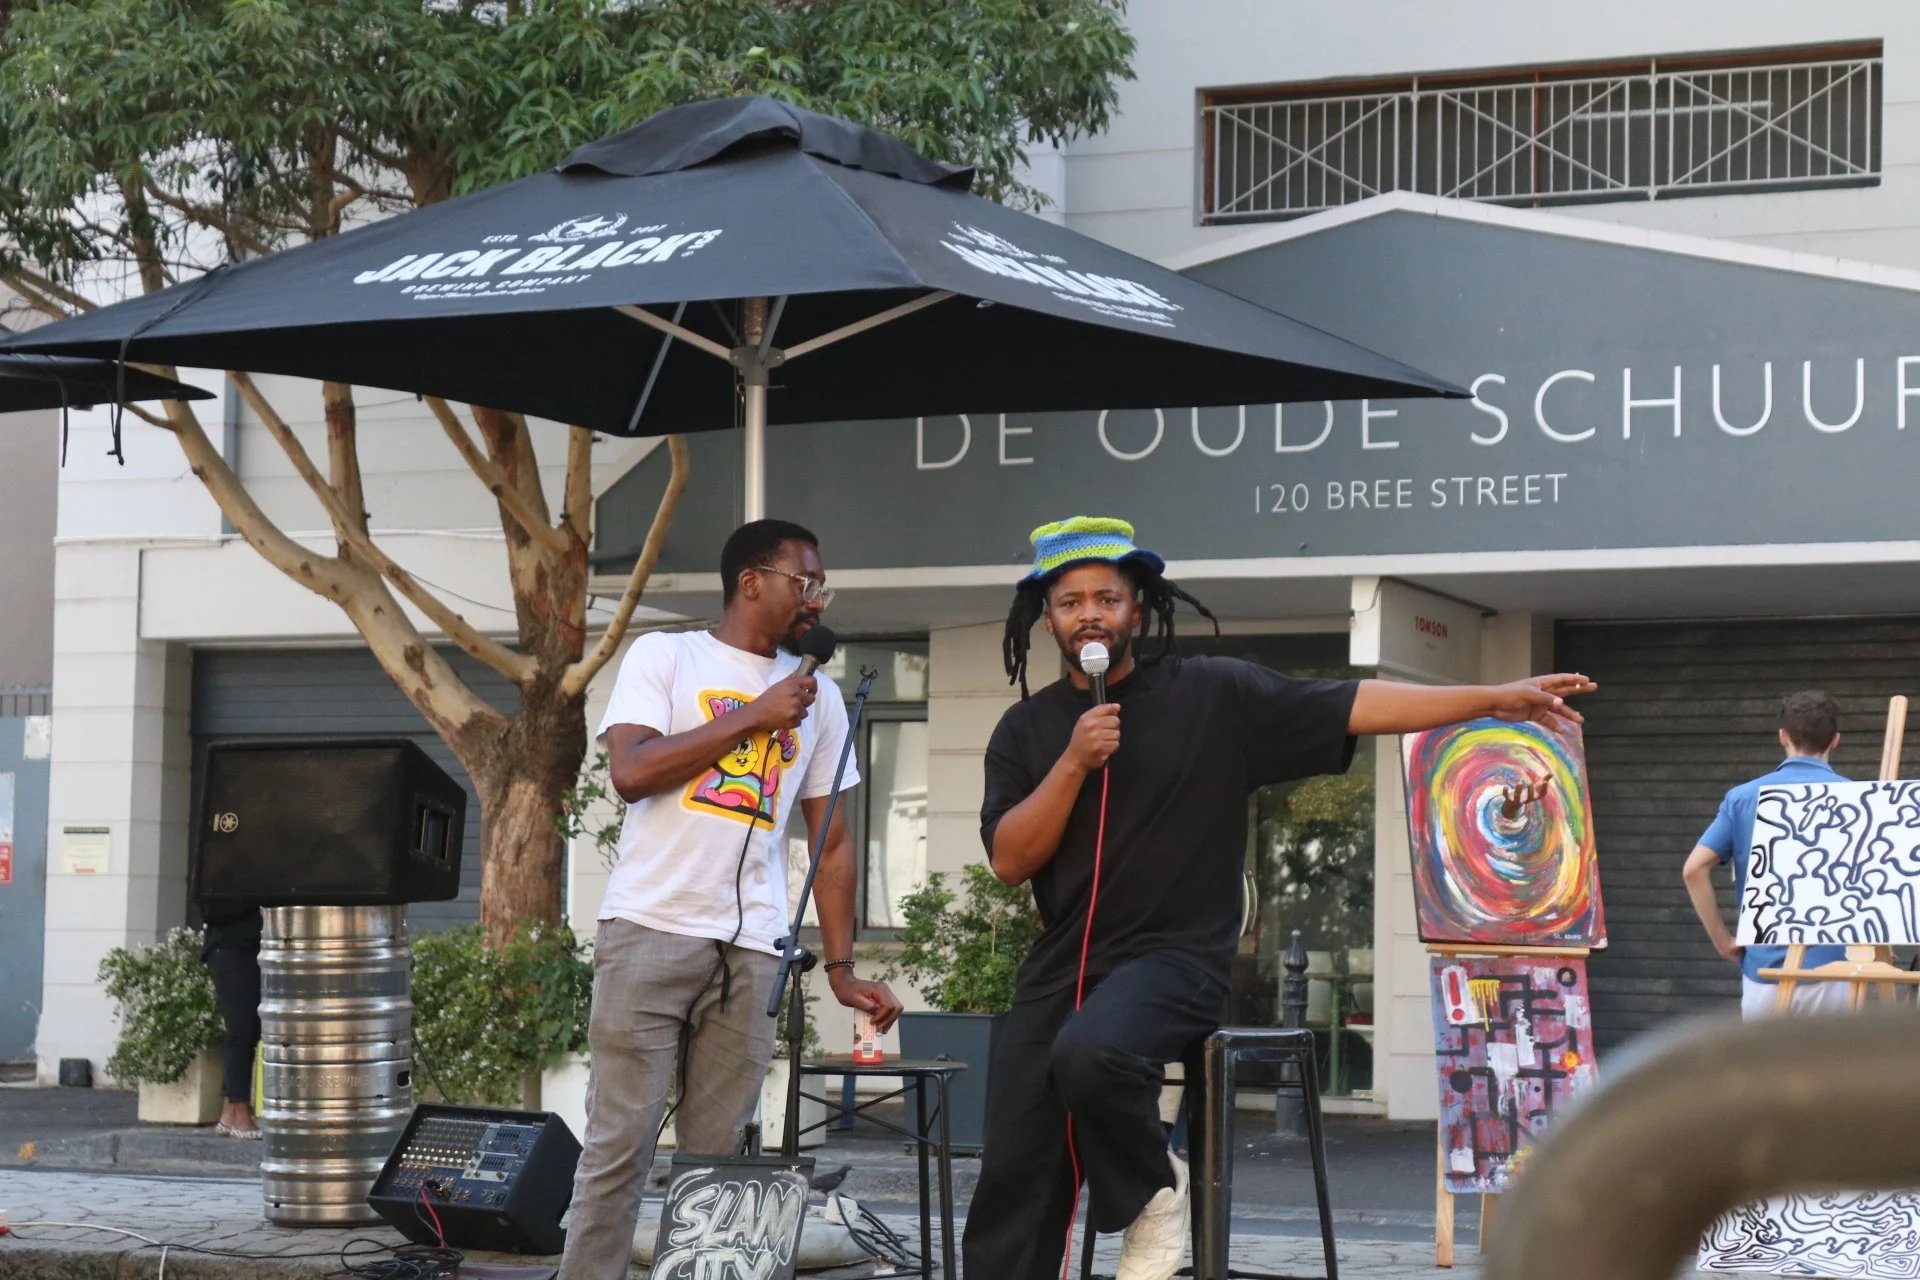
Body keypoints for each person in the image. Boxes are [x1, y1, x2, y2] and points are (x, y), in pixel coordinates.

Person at [966, 516, 1597, 1280]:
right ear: (1048, 617)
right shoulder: (1027, 729)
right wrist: (1071, 762)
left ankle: (1151, 1193)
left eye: (1108, 597)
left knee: (1093, 1053)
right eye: (1071, 603)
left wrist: (1493, 699)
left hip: (1174, 958)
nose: (1090, 615)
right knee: (1014, 1175)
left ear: (1139, 606)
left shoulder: (1213, 693)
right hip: (1062, 965)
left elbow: (1353, 703)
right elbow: (1009, 860)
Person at [558, 519, 904, 1280]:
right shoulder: (667, 655)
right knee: (620, 1148)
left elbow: (834, 844)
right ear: (752, 581)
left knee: (717, 1170)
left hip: (754, 951)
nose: (817, 598)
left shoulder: (820, 701)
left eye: (822, 586)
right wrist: (752, 714)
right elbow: (632, 772)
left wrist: (842, 968)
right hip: (651, 928)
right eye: (804, 582)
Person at [1682, 689, 1853, 1020]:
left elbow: (1694, 870)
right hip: (1835, 971)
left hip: (1765, 971)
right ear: (1835, 741)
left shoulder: (1743, 798)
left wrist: (1722, 940)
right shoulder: (1860, 801)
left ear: (1783, 737)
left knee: (1765, 1074)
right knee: (1830, 1073)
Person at [201, 906, 262, 1138]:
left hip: (247, 946)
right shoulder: (225, 876)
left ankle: (229, 1113)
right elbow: (210, 911)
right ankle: (241, 1114)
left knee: (250, 1030)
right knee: (241, 1031)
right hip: (230, 948)